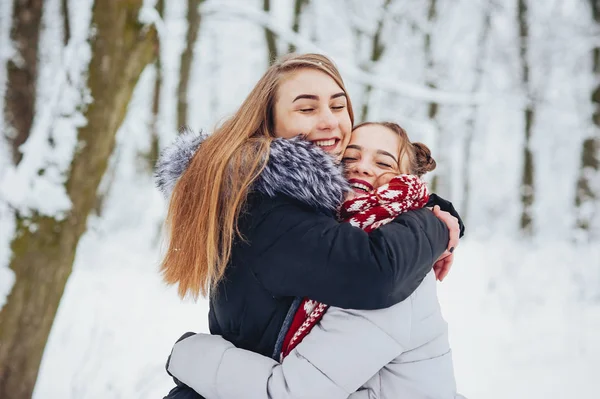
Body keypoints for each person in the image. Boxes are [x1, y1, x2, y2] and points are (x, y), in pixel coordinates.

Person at [155, 53, 463, 398]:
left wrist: (434, 212)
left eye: (338, 106)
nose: (330, 122)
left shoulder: (328, 210)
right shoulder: (270, 211)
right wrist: (434, 224)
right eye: (307, 109)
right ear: (268, 124)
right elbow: (374, 269)